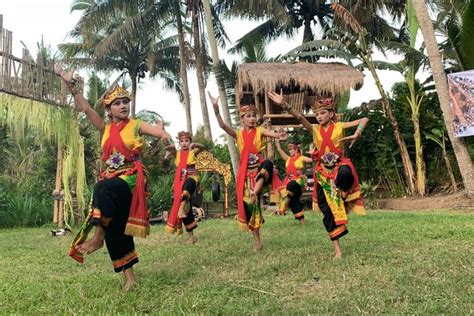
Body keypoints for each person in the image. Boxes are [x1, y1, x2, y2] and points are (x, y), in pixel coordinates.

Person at [54, 64, 172, 290]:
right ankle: (130, 278)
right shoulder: (105, 128)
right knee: (116, 227)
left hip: (129, 180)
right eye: (117, 103)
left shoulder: (137, 124)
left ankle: (97, 238)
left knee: (102, 188)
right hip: (111, 180)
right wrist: (70, 83)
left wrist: (165, 135)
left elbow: (159, 132)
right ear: (109, 109)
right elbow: (87, 109)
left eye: (125, 102)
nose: (123, 106)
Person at [268, 90, 367, 258]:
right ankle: (337, 250)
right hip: (322, 173)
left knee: (345, 172)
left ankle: (343, 192)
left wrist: (356, 134)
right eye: (317, 114)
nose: (319, 116)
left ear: (331, 113)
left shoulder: (340, 126)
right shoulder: (314, 129)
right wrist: (284, 104)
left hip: (339, 166)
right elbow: (299, 118)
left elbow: (364, 119)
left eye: (323, 113)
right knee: (326, 210)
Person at [208, 92, 287, 252]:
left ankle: (255, 191)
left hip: (259, 171)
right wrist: (216, 109)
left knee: (268, 163)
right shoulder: (238, 134)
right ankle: (258, 242)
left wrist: (279, 134)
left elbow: (273, 134)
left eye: (253, 115)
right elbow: (222, 126)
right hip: (245, 175)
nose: (251, 118)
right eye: (248, 116)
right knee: (252, 209)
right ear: (242, 118)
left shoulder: (260, 131)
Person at [165, 131, 204, 244]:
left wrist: (195, 145)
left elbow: (203, 147)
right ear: (179, 143)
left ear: (190, 141)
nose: (184, 143)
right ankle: (192, 237)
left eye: (186, 141)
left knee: (187, 187)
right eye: (182, 141)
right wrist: (168, 151)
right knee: (187, 209)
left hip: (192, 178)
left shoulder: (193, 151)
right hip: (180, 180)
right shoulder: (177, 154)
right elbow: (170, 150)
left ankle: (181, 209)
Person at [274, 139, 313, 224]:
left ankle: (284, 205)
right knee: (294, 201)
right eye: (289, 149)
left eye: (291, 149)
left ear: (296, 149)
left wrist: (313, 153)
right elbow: (280, 150)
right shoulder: (288, 159)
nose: (290, 150)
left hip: (299, 181)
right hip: (288, 182)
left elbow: (312, 160)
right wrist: (277, 143)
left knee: (291, 185)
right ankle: (302, 221)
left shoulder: (302, 158)